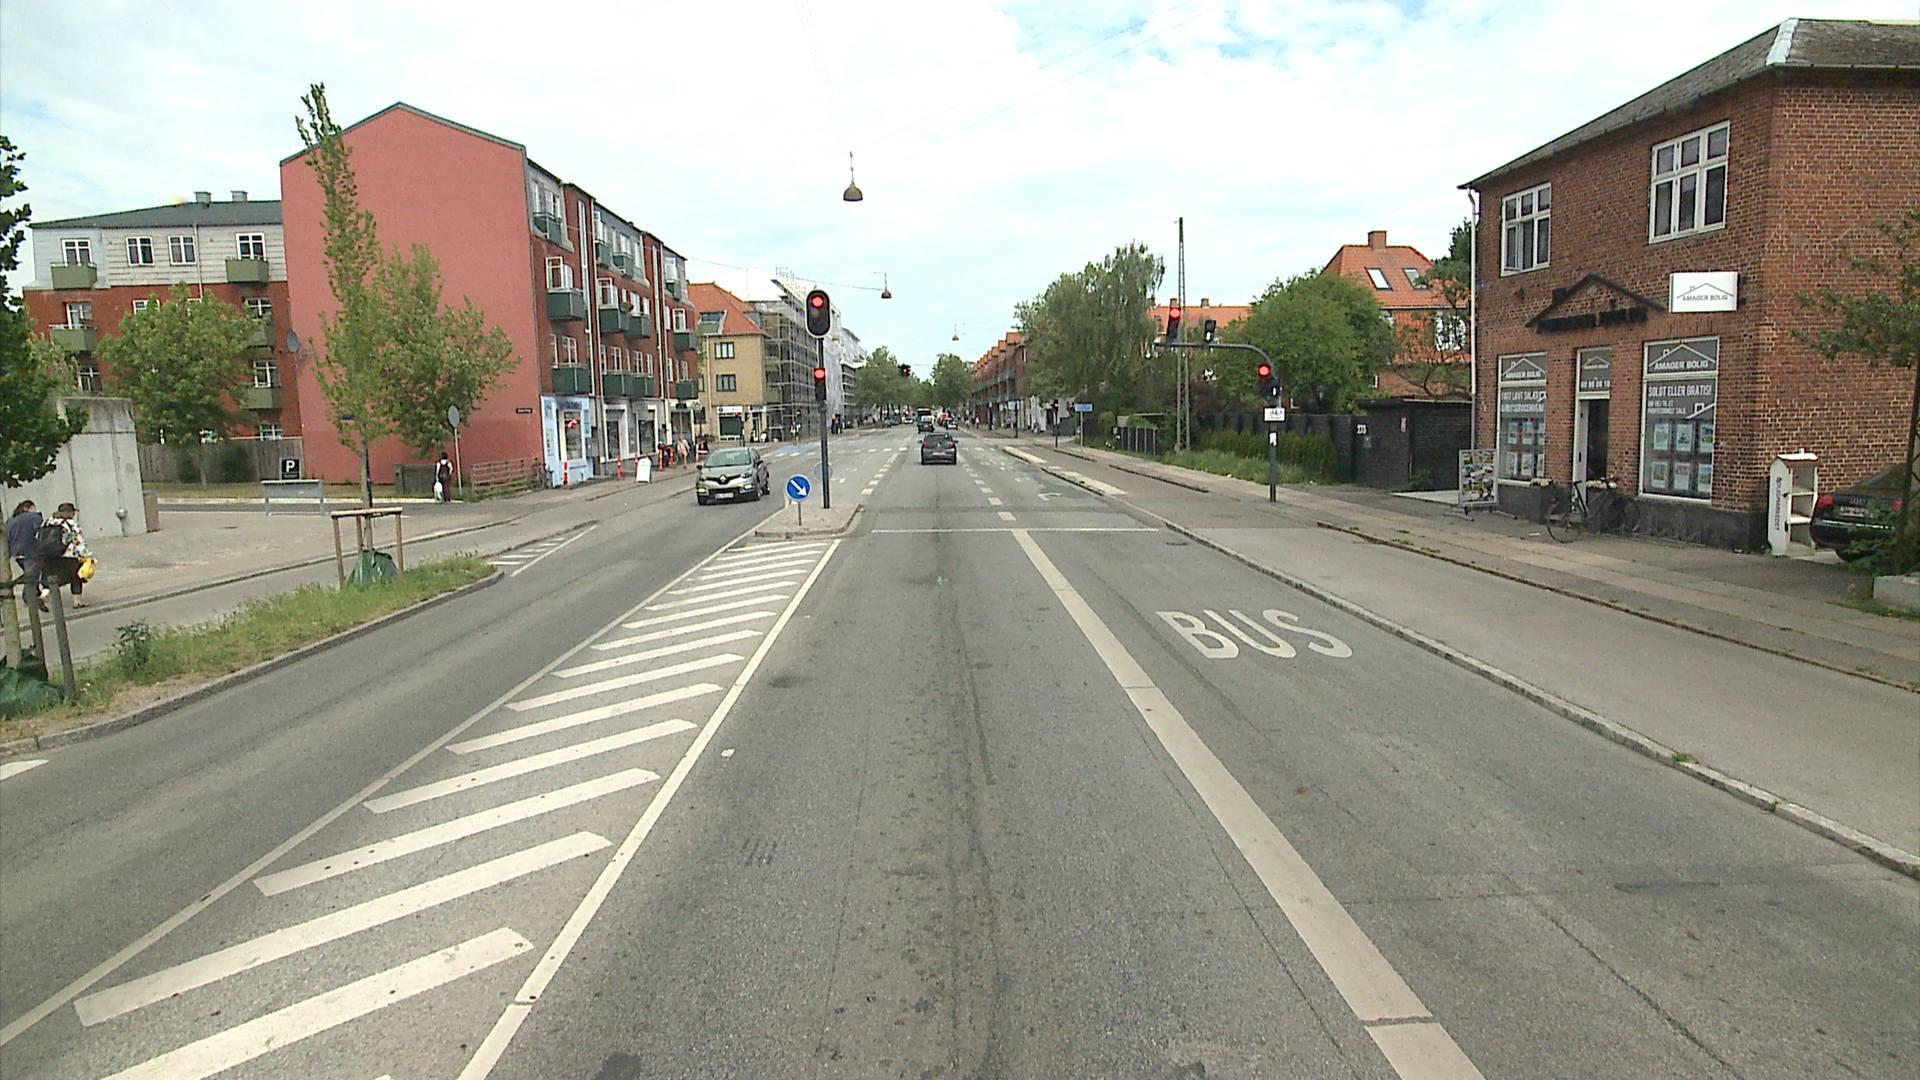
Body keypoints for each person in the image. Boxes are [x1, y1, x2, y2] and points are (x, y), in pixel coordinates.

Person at [44, 503, 91, 608]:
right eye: (73, 512)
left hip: (50, 556)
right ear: (70, 513)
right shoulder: (71, 524)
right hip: (69, 556)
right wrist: (86, 555)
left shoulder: (48, 522)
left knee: (53, 578)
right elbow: (78, 541)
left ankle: (43, 595)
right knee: (76, 577)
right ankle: (77, 602)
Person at [6, 500, 48, 613]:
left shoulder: (11, 521)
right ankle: (28, 598)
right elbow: (40, 532)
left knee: (30, 573)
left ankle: (36, 593)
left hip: (17, 553)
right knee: (32, 576)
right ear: (29, 508)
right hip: (31, 551)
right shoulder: (33, 517)